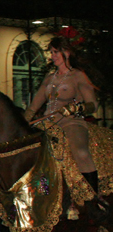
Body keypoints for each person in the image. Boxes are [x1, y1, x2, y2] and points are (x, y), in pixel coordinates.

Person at [24, 35, 99, 189]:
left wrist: (76, 108)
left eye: (56, 52)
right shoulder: (49, 78)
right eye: (51, 52)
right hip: (47, 123)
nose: (53, 56)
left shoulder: (78, 76)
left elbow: (94, 105)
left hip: (71, 122)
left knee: (81, 152)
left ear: (67, 52)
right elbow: (33, 107)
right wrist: (23, 122)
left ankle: (93, 193)